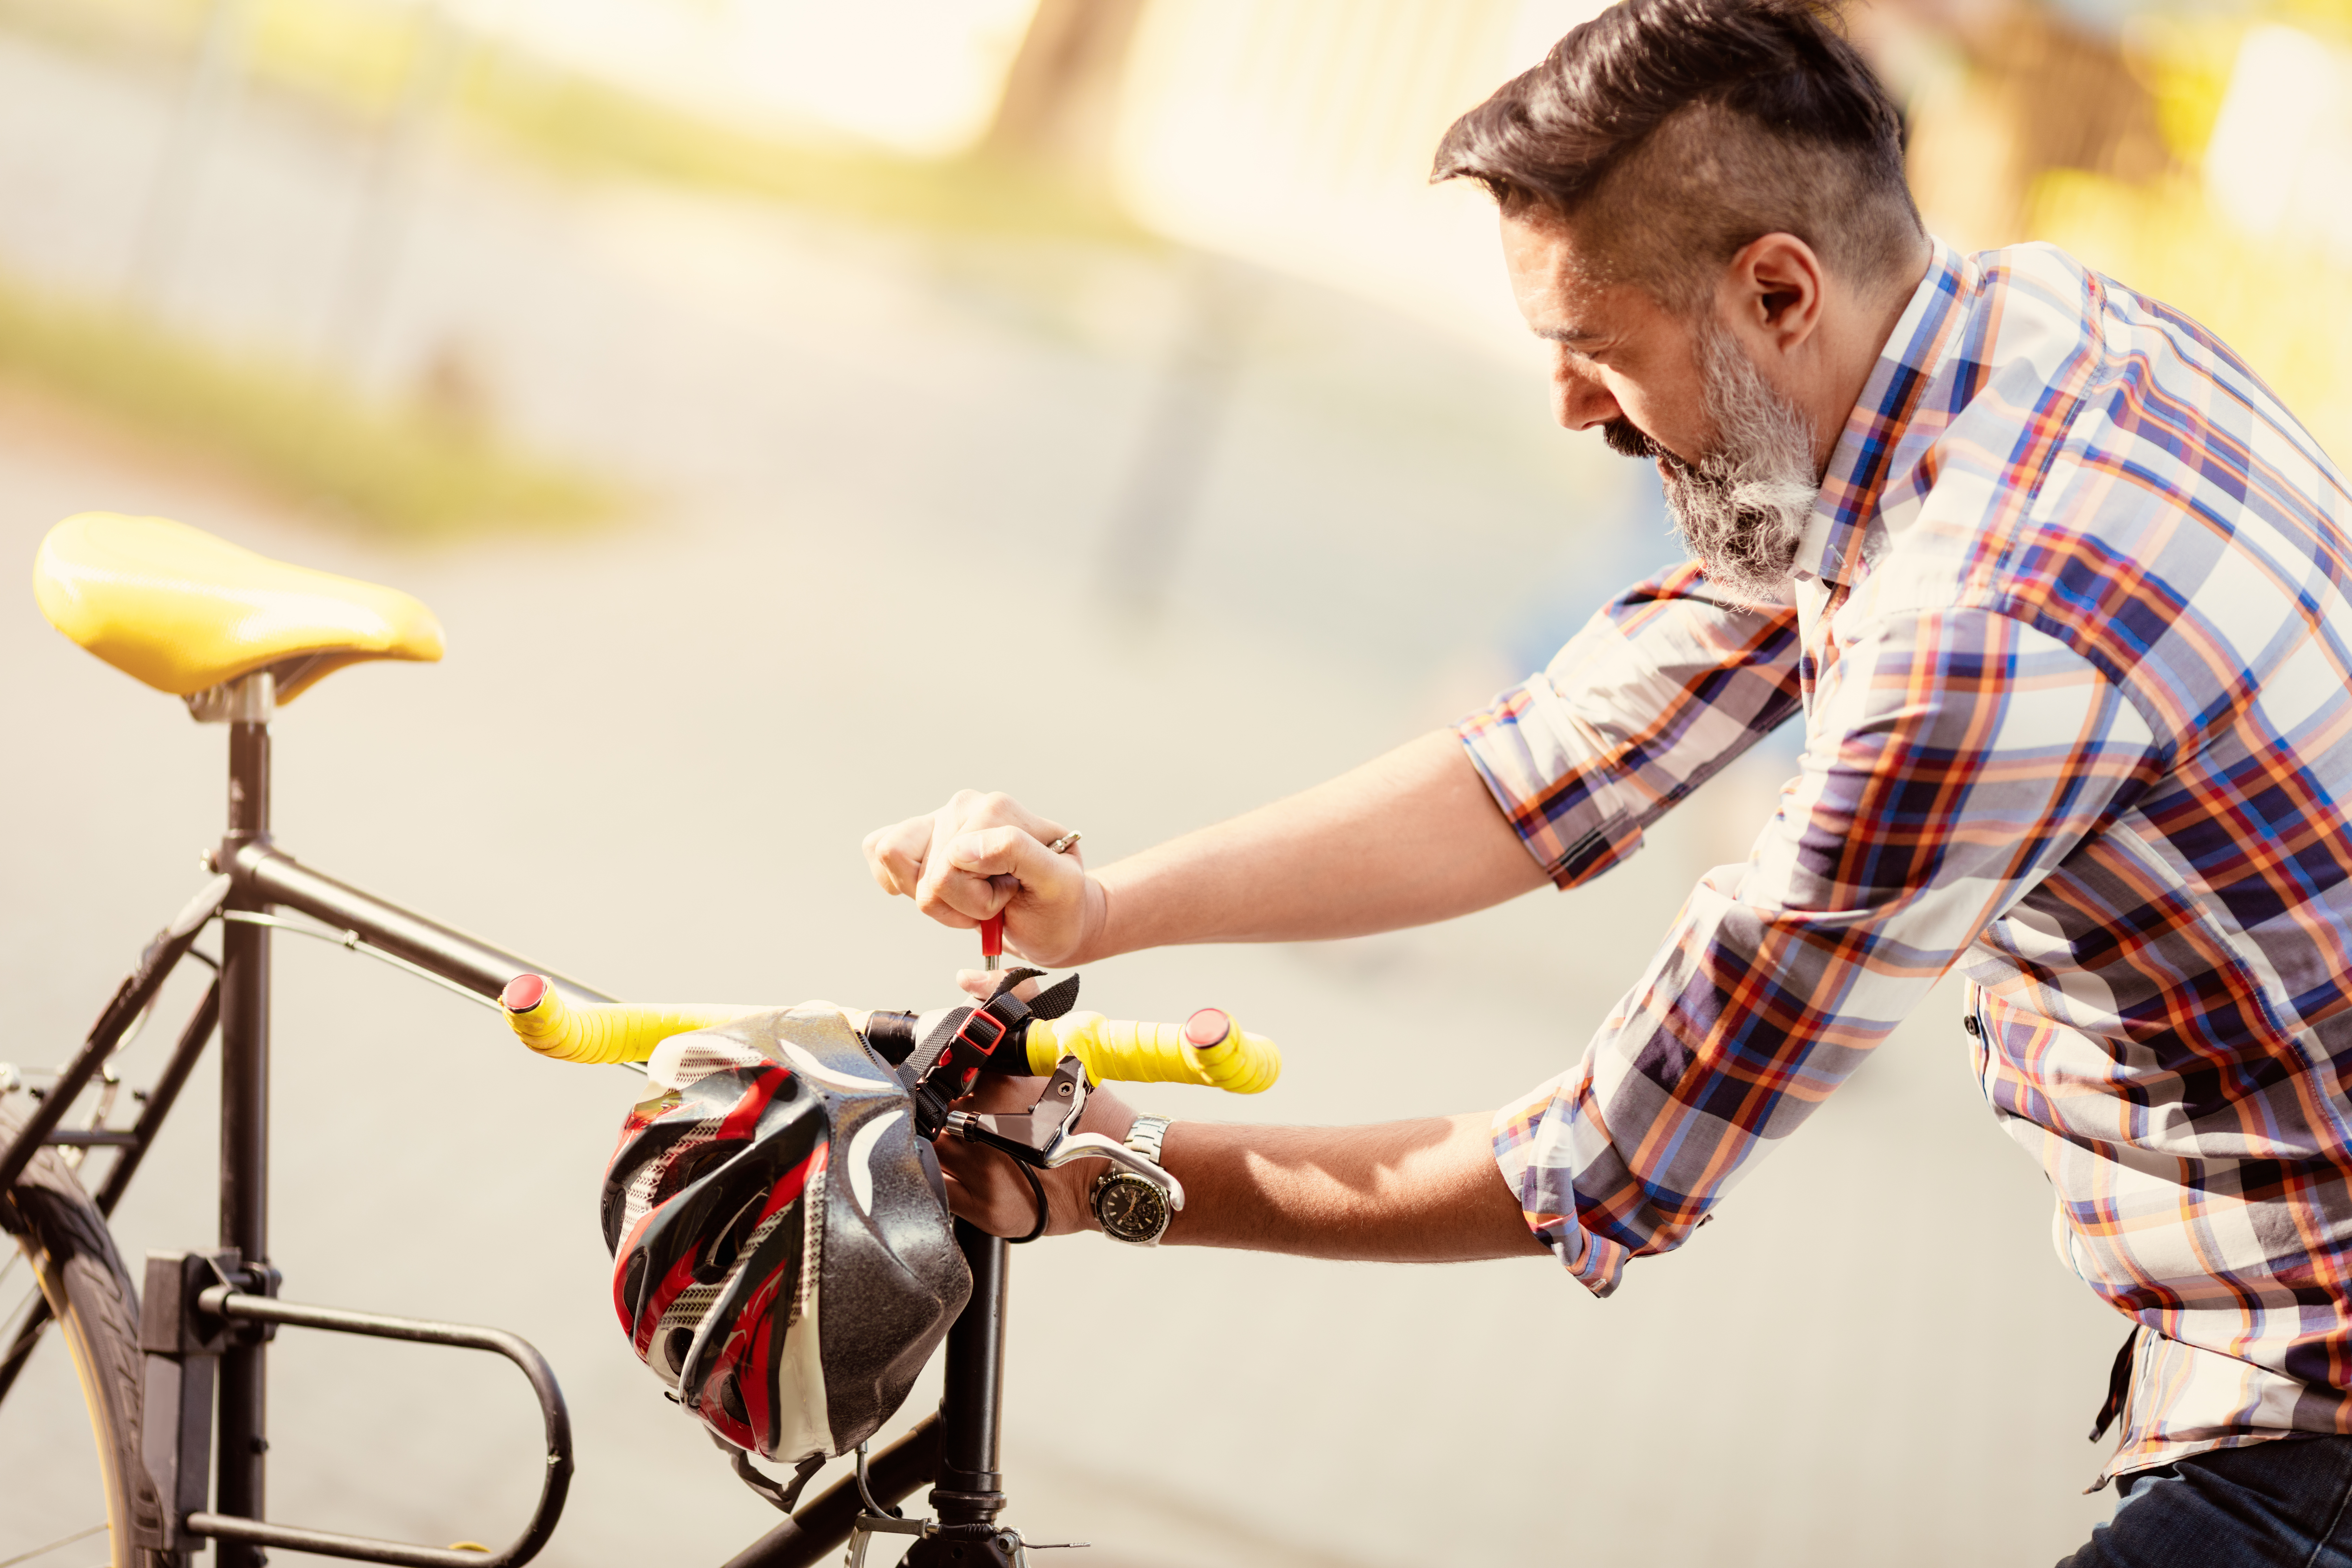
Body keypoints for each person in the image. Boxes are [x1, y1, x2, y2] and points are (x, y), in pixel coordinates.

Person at [862, 1, 2352, 1560]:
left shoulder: (1978, 638)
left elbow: (1597, 1165)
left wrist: (1088, 1175)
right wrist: (1102, 911)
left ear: (1778, 289)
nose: (1571, 407)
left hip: (2313, 1421)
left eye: (1594, 347)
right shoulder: (2012, 340)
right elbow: (1551, 762)